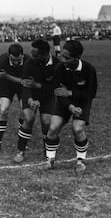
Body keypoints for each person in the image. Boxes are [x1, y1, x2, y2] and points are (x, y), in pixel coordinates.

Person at [45, 40, 97, 173]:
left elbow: (91, 93)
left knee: (77, 129)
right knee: (53, 127)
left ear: (77, 58)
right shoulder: (59, 68)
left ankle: (80, 161)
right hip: (65, 102)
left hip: (82, 102)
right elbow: (58, 92)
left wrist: (71, 93)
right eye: (62, 55)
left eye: (66, 57)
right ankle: (50, 160)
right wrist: (70, 106)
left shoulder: (89, 69)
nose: (63, 59)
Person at [13, 39, 60, 163]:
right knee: (28, 118)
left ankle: (48, 151)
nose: (32, 57)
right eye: (32, 53)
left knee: (46, 121)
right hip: (31, 95)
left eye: (35, 54)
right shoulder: (29, 63)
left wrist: (38, 85)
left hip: (48, 95)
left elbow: (56, 88)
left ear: (45, 55)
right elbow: (25, 84)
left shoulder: (57, 64)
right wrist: (30, 100)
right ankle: (21, 151)